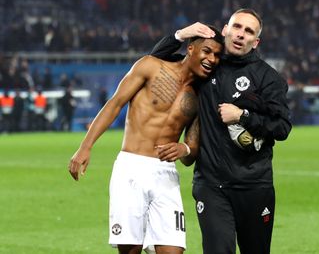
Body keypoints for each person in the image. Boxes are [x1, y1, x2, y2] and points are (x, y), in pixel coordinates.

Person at [68, 27, 224, 254]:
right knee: (131, 250)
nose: (211, 59)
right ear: (190, 48)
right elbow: (114, 104)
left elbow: (191, 151)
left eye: (217, 55)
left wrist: (184, 148)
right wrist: (85, 147)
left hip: (166, 175)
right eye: (207, 51)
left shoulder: (202, 95)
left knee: (173, 250)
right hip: (131, 169)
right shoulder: (150, 66)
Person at [151, 8, 292, 254]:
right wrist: (182, 34)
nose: (240, 35)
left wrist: (243, 116)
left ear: (255, 42)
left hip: (254, 185)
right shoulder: (205, 65)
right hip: (211, 185)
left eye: (248, 31)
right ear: (225, 30)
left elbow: (282, 127)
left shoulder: (268, 78)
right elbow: (153, 62)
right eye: (237, 27)